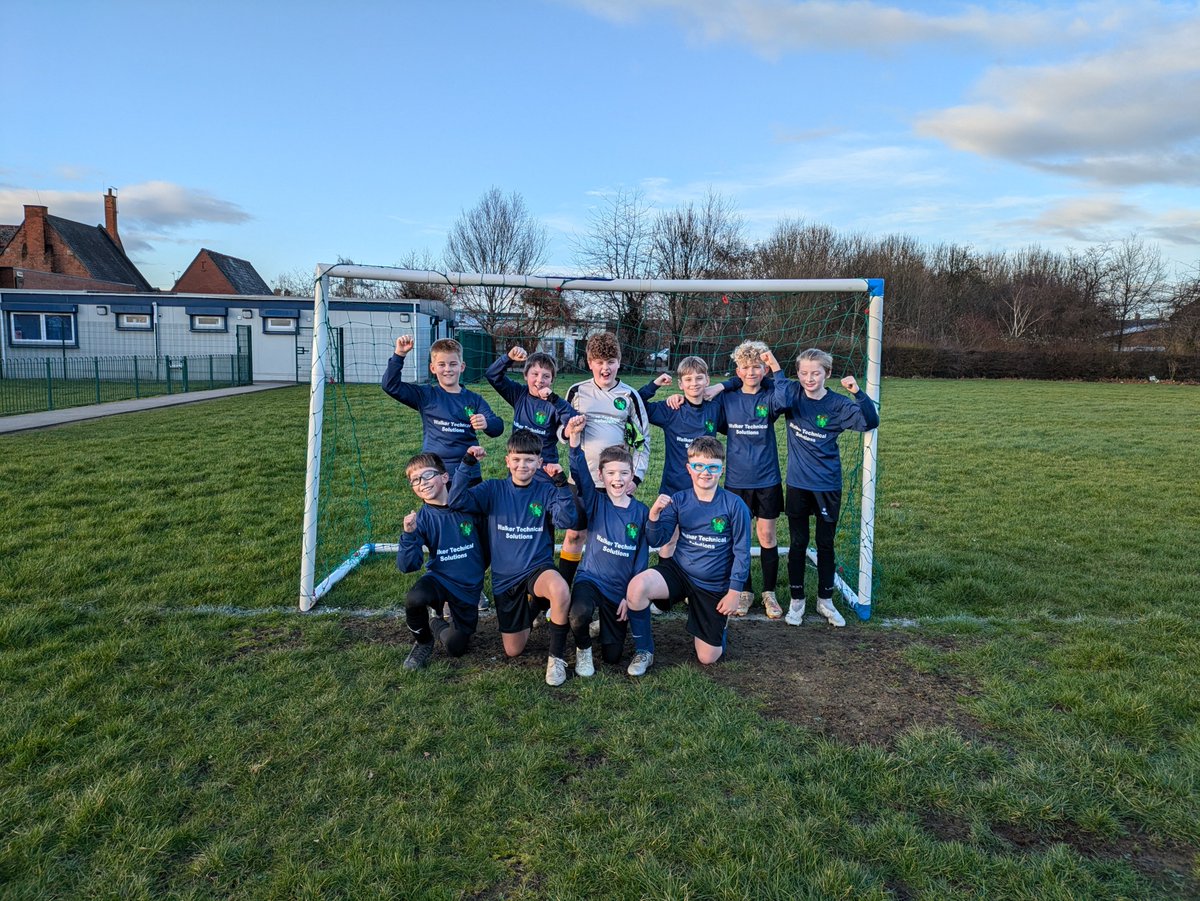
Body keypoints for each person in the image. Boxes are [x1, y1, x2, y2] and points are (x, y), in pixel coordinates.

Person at [448, 429, 584, 686]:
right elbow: (456, 501)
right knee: (514, 650)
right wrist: (467, 465)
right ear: (507, 461)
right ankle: (535, 606)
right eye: (517, 459)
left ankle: (556, 659)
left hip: (537, 568)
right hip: (505, 578)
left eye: (530, 460)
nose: (523, 465)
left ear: (539, 463)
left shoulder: (546, 491)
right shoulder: (493, 489)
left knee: (559, 589)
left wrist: (561, 484)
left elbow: (567, 520)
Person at [624, 437, 752, 675]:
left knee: (708, 658)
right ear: (689, 469)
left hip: (712, 584)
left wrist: (735, 592)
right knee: (637, 587)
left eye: (712, 467)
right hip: (680, 572)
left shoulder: (735, 506)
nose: (706, 473)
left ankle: (714, 622)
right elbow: (656, 540)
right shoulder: (680, 500)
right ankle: (644, 651)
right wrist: (653, 516)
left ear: (721, 470)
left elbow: (742, 553)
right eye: (699, 466)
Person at [772, 347, 879, 627]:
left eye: (816, 373)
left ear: (827, 374)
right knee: (797, 543)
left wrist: (857, 391)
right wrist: (772, 362)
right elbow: (777, 389)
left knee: (824, 544)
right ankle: (796, 602)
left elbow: (870, 421)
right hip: (797, 484)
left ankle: (825, 601)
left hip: (827, 485)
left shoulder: (838, 405)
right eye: (804, 373)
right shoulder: (792, 393)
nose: (810, 378)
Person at [557, 332, 651, 586]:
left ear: (619, 362)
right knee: (575, 535)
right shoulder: (577, 391)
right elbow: (560, 433)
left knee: (611, 542)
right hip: (580, 479)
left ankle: (608, 596)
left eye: (610, 361)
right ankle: (562, 594)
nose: (604, 368)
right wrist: (569, 430)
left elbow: (643, 441)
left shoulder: (630, 396)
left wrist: (637, 477)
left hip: (616, 483)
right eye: (598, 361)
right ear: (589, 363)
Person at [563, 416, 651, 673]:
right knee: (578, 614)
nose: (617, 479)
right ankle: (583, 651)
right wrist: (575, 441)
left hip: (619, 589)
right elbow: (579, 471)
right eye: (611, 473)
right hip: (591, 580)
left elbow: (641, 556)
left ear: (632, 475)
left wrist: (629, 595)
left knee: (613, 655)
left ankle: (604, 621)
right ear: (601, 475)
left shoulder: (641, 512)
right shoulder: (595, 501)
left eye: (624, 473)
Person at [711, 341, 785, 619]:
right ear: (737, 371)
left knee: (766, 536)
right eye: (745, 367)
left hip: (767, 479)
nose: (751, 372)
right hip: (736, 481)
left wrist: (776, 366)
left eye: (757, 366)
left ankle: (769, 593)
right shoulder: (727, 399)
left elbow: (786, 395)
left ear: (764, 369)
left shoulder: (770, 397)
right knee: (738, 539)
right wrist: (725, 386)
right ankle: (744, 591)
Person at [396, 453, 485, 670]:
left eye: (427, 475)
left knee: (457, 647)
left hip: (468, 587)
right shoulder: (422, 519)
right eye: (415, 480)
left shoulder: (469, 505)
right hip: (440, 578)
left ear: (445, 477)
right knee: (415, 599)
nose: (422, 483)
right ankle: (423, 642)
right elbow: (408, 566)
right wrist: (409, 535)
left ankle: (436, 621)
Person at [381, 335, 504, 478]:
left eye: (453, 364)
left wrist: (486, 423)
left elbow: (498, 428)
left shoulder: (474, 399)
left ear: (462, 366)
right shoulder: (426, 395)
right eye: (441, 364)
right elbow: (390, 385)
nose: (448, 369)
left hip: (468, 472)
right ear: (432, 368)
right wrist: (399, 355)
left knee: (468, 501)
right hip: (434, 472)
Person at [644, 355, 727, 559]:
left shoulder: (715, 408)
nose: (694, 383)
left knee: (700, 538)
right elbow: (636, 404)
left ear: (707, 380)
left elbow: (744, 387)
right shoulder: (671, 409)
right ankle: (666, 582)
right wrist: (654, 385)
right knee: (670, 539)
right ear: (680, 384)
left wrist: (723, 386)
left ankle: (694, 580)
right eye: (688, 379)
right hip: (673, 487)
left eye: (699, 378)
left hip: (704, 488)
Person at [485, 346, 576, 474]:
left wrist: (554, 400)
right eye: (535, 374)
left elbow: (574, 420)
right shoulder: (518, 394)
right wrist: (508, 358)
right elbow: (492, 375)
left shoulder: (555, 404)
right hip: (517, 467)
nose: (540, 380)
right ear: (525, 375)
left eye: (546, 376)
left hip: (543, 470)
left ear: (552, 380)